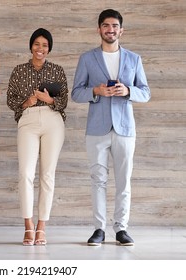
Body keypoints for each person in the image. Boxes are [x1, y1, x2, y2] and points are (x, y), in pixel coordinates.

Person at [71, 9, 150, 246]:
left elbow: (145, 92)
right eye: (106, 25)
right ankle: (99, 229)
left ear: (121, 30)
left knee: (124, 180)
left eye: (115, 26)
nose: (110, 30)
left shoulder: (134, 59)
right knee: (98, 180)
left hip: (125, 128)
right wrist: (96, 91)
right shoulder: (87, 58)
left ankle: (121, 229)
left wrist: (128, 91)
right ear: (99, 29)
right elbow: (76, 93)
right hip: (97, 128)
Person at [7, 28, 68, 246]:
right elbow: (10, 100)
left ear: (49, 48)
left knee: (47, 175)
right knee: (25, 174)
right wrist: (27, 102)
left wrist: (48, 99)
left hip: (53, 121)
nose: (40, 48)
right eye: (36, 44)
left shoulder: (58, 71)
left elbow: (64, 100)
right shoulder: (19, 70)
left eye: (44, 45)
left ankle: (42, 227)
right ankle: (28, 226)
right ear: (31, 46)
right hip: (28, 119)